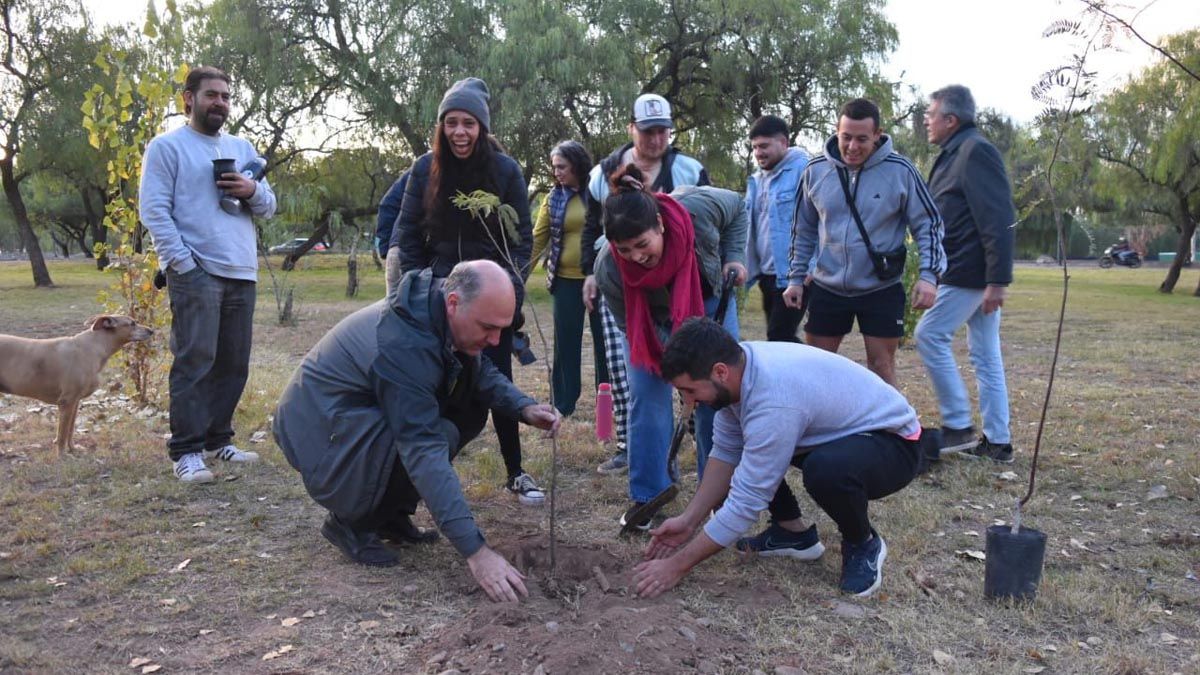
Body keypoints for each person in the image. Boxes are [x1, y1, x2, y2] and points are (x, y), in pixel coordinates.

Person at [273, 261, 560, 602]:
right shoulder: (405, 344)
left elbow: (480, 373)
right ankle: (350, 522)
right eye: (488, 328)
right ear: (453, 303)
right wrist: (477, 553)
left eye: (503, 330)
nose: (496, 340)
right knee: (428, 435)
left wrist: (523, 407)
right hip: (321, 435)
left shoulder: (439, 314)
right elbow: (422, 451)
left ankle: (389, 516)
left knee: (464, 411)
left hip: (349, 421)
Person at [632, 318, 922, 598]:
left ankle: (863, 543)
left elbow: (746, 503)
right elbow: (725, 454)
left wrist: (676, 566)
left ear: (720, 372)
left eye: (690, 391)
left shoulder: (773, 400)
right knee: (759, 450)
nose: (689, 402)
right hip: (837, 435)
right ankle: (792, 532)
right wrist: (688, 520)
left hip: (894, 442)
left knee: (826, 471)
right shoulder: (740, 368)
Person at [390, 77, 545, 506]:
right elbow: (408, 234)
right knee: (434, 387)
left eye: (469, 123)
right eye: (451, 123)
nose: (460, 132)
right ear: (441, 127)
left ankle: (515, 471)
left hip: (490, 295)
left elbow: (521, 241)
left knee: (496, 380)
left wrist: (510, 287)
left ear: (482, 127)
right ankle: (432, 476)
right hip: (439, 295)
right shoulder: (424, 170)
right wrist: (422, 286)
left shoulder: (505, 171)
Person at [139, 66, 278, 483]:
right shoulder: (167, 148)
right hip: (195, 270)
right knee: (194, 361)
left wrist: (250, 190)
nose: (219, 102)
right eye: (211, 95)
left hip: (241, 271)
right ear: (188, 98)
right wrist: (181, 262)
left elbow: (269, 206)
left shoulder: (241, 146)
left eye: (225, 96)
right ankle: (186, 451)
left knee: (233, 363)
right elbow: (154, 211)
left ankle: (219, 440)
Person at [593, 165, 747, 529]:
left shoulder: (698, 208)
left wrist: (734, 255)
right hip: (647, 320)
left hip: (706, 299)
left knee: (717, 395)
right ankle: (648, 495)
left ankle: (718, 494)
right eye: (624, 249)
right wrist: (676, 375)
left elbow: (738, 207)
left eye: (642, 244)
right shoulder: (609, 269)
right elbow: (630, 331)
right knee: (646, 395)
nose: (635, 257)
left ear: (660, 224)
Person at [581, 93, 711, 475]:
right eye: (648, 131)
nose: (656, 139)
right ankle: (637, 457)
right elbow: (592, 227)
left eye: (663, 131)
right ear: (631, 129)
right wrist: (593, 271)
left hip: (687, 288)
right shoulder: (602, 173)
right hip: (626, 284)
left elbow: (716, 222)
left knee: (703, 380)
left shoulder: (690, 170)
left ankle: (712, 474)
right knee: (637, 379)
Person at [782, 97, 945, 387]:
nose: (853, 147)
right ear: (836, 131)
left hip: (880, 287)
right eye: (846, 137)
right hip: (827, 285)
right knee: (817, 368)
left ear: (877, 135)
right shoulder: (815, 170)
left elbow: (928, 224)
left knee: (881, 368)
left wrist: (929, 276)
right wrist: (795, 278)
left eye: (862, 139)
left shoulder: (901, 171)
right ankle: (821, 431)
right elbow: (803, 228)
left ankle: (888, 431)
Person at [916, 85, 1016, 463]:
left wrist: (997, 281)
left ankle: (958, 425)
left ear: (951, 119)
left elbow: (999, 218)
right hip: (963, 271)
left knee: (929, 334)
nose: (926, 119)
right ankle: (998, 441)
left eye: (931, 114)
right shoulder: (953, 153)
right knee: (986, 355)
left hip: (970, 273)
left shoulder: (976, 152)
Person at [529, 141, 609, 416]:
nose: (557, 173)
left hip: (599, 281)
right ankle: (563, 402)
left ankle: (606, 400)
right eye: (554, 167)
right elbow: (538, 239)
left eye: (561, 167)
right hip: (564, 281)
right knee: (565, 342)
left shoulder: (598, 192)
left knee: (604, 342)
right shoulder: (553, 197)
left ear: (576, 164)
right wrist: (516, 276)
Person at [744, 115, 810, 342]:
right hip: (767, 275)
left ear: (783, 143)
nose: (758, 153)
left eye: (764, 146)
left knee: (779, 336)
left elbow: (822, 220)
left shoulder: (805, 171)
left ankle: (815, 372)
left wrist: (810, 267)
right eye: (754, 147)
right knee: (779, 337)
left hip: (795, 275)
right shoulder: (756, 180)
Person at [377, 170, 410, 289]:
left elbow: (388, 204)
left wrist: (387, 249)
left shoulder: (419, 166)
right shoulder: (424, 166)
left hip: (397, 250)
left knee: (393, 304)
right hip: (416, 251)